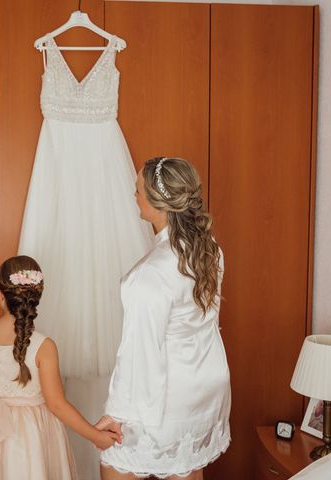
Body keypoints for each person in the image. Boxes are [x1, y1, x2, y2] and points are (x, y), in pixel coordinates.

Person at [97, 158, 231, 479]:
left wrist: (116, 414)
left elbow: (138, 354)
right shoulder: (210, 250)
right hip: (205, 388)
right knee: (185, 467)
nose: (134, 195)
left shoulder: (149, 275)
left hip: (165, 399)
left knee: (115, 465)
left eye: (138, 190)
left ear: (157, 203)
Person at [0, 255, 120, 479]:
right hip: (27, 433)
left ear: (1, 295)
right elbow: (57, 405)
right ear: (36, 297)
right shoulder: (44, 346)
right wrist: (95, 436)